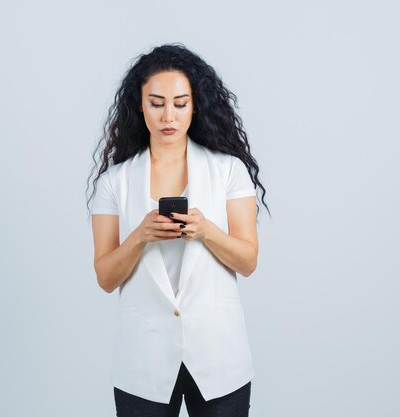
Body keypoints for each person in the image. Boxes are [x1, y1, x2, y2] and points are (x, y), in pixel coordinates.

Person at [86, 43, 270, 417]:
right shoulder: (114, 182)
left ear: (195, 105)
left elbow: (248, 261)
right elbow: (106, 277)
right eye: (156, 103)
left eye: (180, 103)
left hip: (219, 356)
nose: (168, 115)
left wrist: (206, 230)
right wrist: (140, 236)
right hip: (144, 358)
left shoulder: (229, 171)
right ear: (139, 105)